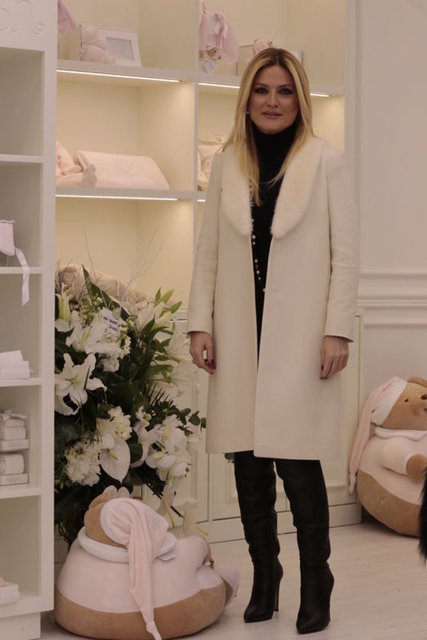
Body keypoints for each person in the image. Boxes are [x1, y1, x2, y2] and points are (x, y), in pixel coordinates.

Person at [187, 47, 359, 635]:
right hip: (241, 333)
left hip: (301, 336)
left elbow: (345, 255)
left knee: (298, 462)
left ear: (300, 99)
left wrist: (337, 329)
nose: (272, 101)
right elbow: (208, 253)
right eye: (262, 90)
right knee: (248, 462)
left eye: (285, 91)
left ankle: (316, 581)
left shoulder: (325, 161)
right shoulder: (226, 164)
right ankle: (267, 574)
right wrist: (201, 323)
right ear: (247, 98)